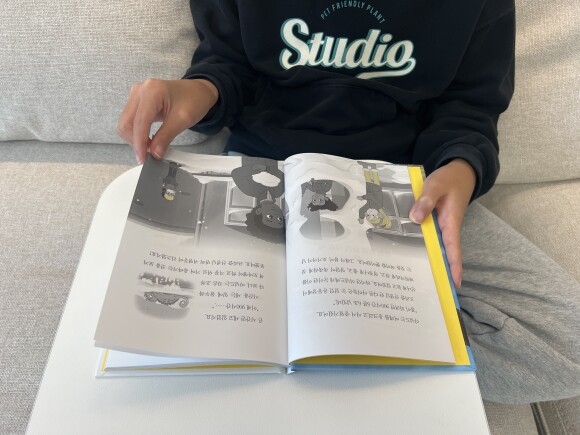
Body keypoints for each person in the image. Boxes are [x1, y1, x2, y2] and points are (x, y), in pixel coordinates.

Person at [116, 0, 580, 404]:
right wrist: (198, 89)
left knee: (568, 349)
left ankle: (345, 359)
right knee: (169, 336)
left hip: (402, 191)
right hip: (265, 178)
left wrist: (462, 166)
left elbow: (470, 107)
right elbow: (230, 66)